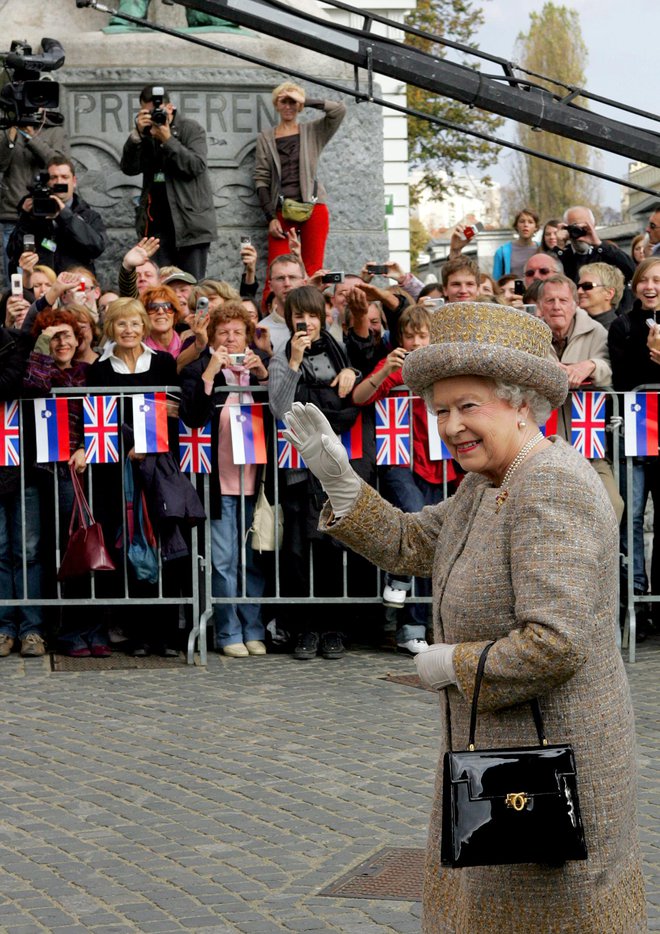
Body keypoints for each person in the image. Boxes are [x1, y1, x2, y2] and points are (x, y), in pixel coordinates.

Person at [281, 301, 646, 932]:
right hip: (505, 765)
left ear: (522, 402)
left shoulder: (550, 483)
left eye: (468, 406)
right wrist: (341, 483)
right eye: (441, 410)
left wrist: (452, 663)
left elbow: (557, 642)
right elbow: (414, 542)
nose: (451, 425)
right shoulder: (489, 480)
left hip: (550, 770)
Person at [268, 285, 374, 661]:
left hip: (336, 464)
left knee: (333, 549)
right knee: (299, 553)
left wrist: (351, 371)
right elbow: (279, 407)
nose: (307, 322)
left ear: (323, 316)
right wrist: (293, 362)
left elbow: (360, 373)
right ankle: (304, 628)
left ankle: (334, 628)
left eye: (313, 315)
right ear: (289, 319)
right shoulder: (282, 355)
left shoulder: (337, 348)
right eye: (300, 316)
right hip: (299, 469)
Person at [352, 304, 456, 654]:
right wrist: (385, 374)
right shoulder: (395, 365)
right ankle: (399, 582)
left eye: (422, 335)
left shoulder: (445, 366)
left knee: (431, 541)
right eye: (409, 335)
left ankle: (414, 625)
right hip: (401, 461)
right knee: (414, 517)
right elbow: (360, 397)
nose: (415, 341)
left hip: (442, 464)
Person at [179, 302, 269, 657]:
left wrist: (263, 374)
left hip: (256, 480)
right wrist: (210, 372)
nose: (231, 339)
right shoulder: (202, 368)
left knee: (253, 558)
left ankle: (253, 627)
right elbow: (193, 417)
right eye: (223, 333)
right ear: (212, 337)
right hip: (218, 482)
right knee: (222, 559)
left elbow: (283, 407)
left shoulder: (259, 366)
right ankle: (228, 630)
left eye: (237, 332)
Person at [609, 256, 660, 632]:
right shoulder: (622, 325)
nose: (651, 287)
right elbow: (624, 378)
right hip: (638, 433)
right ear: (635, 285)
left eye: (658, 280)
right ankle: (636, 600)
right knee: (633, 519)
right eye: (645, 280)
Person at [120, 85, 217, 279]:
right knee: (159, 285)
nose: (155, 116)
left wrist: (168, 139)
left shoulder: (190, 128)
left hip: (190, 225)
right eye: (148, 112)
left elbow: (196, 166)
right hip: (156, 226)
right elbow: (129, 168)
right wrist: (136, 136)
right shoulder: (145, 134)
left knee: (190, 285)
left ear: (170, 108)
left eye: (158, 111)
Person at [254, 82, 346, 277]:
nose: (288, 106)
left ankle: (311, 306)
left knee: (313, 270)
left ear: (299, 105)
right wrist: (270, 218)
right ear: (276, 105)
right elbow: (261, 179)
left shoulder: (313, 131)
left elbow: (339, 110)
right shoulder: (266, 137)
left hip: (313, 208)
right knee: (278, 270)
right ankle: (273, 307)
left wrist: (305, 100)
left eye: (293, 102)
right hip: (281, 210)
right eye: (283, 101)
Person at [0, 325, 45, 658]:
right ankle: (4, 628)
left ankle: (31, 628)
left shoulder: (14, 345)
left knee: (26, 552)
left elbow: (14, 382)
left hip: (21, 468)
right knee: (1, 552)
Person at [8, 155, 107, 275]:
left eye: (65, 177)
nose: (59, 182)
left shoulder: (89, 216)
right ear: (47, 182)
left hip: (73, 284)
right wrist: (26, 218)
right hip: (43, 285)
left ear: (74, 181)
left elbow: (96, 248)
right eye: (54, 177)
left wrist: (65, 215)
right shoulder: (33, 214)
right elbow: (13, 252)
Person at [492, 208, 539, 278]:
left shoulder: (542, 249)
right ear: (516, 226)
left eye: (530, 222)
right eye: (522, 221)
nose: (526, 225)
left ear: (536, 227)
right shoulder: (502, 252)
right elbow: (496, 281)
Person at [576, 262, 624, 330]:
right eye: (578, 286)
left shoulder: (619, 331)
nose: (579, 291)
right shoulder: (573, 325)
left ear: (609, 293)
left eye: (587, 286)